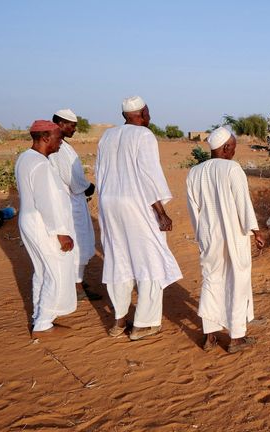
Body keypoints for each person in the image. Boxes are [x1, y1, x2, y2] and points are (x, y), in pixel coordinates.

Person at [96, 96, 182, 341]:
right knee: (150, 260)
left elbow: (100, 173)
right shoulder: (144, 136)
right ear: (143, 112)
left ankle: (119, 321)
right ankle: (143, 324)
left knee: (117, 259)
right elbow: (148, 176)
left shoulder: (107, 136)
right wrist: (161, 213)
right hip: (137, 204)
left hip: (109, 204)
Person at [186, 127, 265, 353]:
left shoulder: (194, 172)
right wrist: (256, 231)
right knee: (237, 281)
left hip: (209, 237)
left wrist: (200, 235)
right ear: (226, 147)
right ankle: (236, 338)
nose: (233, 152)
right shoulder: (232, 168)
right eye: (233, 147)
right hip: (234, 235)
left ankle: (210, 336)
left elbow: (194, 210)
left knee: (212, 280)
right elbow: (243, 204)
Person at [15, 120, 78, 335]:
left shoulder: (25, 158)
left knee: (42, 271)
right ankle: (43, 323)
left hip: (30, 220)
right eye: (58, 138)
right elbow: (47, 202)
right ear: (45, 138)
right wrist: (61, 232)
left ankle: (40, 316)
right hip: (42, 223)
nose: (61, 143)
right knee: (55, 273)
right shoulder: (40, 164)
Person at [48, 109, 101, 301]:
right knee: (78, 243)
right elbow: (72, 179)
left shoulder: (62, 144)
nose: (74, 129)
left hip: (74, 200)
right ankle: (77, 287)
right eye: (72, 125)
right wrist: (89, 187)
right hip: (71, 202)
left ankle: (76, 280)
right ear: (60, 124)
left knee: (82, 242)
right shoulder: (59, 147)